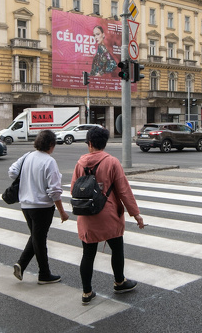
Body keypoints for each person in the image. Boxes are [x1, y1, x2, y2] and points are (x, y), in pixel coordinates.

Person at [71, 126, 145, 305]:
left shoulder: (80, 164)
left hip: (87, 215)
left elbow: (74, 189)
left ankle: (87, 292)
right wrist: (136, 214)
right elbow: (123, 191)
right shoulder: (112, 162)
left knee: (88, 254)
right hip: (109, 215)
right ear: (104, 143)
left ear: (89, 144)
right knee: (117, 249)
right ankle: (119, 282)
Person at [9, 130, 70, 284]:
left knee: (36, 237)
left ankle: (21, 265)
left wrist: (28, 179)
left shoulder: (27, 156)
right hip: (42, 207)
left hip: (26, 205)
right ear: (51, 144)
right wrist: (62, 212)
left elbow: (12, 172)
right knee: (39, 239)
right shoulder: (49, 161)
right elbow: (55, 191)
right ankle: (44, 274)